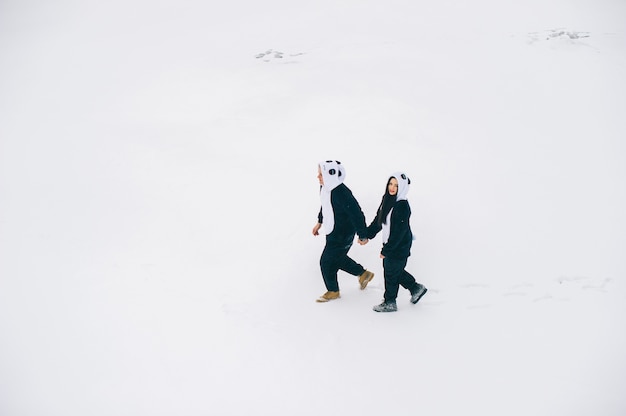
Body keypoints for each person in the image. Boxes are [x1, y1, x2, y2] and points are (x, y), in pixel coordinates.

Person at [361, 172, 427, 312]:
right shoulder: (387, 199)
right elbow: (379, 220)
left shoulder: (402, 205)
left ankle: (390, 302)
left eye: (396, 185)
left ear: (402, 187)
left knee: (391, 272)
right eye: (390, 184)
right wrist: (367, 235)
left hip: (399, 245)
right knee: (395, 270)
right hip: (392, 243)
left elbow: (398, 232)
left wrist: (387, 250)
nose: (392, 187)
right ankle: (416, 288)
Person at [312, 160, 374, 302]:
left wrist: (362, 234)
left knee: (326, 262)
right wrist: (319, 222)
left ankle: (333, 291)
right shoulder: (325, 188)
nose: (318, 177)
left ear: (330, 174)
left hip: (343, 233)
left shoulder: (341, 192)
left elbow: (356, 213)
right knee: (337, 259)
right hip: (332, 230)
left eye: (321, 174)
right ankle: (364, 274)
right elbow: (325, 205)